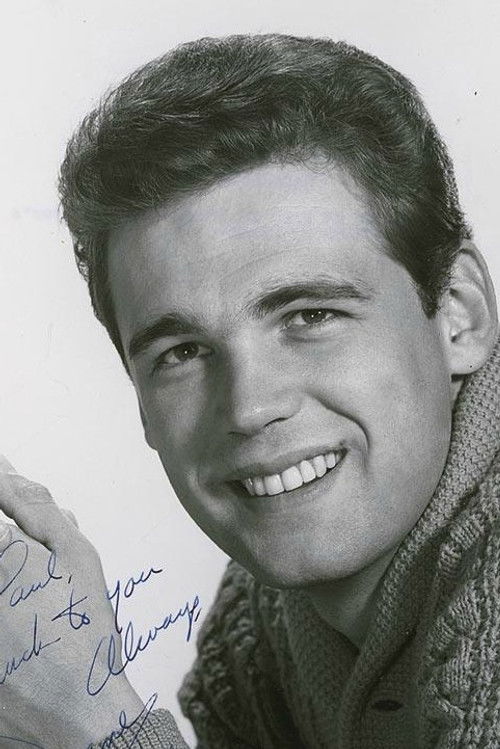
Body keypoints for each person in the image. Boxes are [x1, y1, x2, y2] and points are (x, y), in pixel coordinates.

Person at [0, 33, 498, 748]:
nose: (249, 407)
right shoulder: (257, 633)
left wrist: (92, 724)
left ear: (459, 314)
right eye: (183, 353)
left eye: (310, 316)